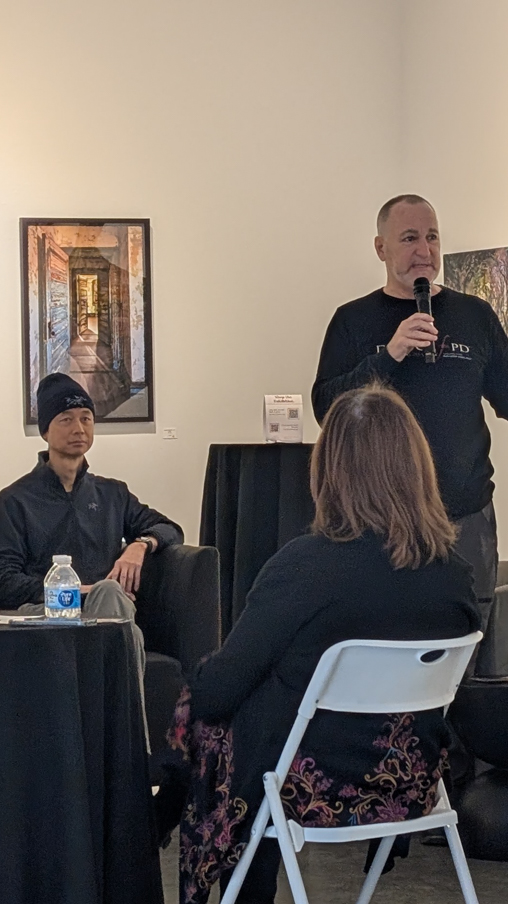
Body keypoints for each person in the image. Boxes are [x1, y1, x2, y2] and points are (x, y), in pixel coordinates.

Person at [160, 383, 480, 904]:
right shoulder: (455, 576)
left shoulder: (305, 566)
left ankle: (161, 826)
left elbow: (218, 691)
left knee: (217, 711)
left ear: (329, 471)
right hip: (409, 782)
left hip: (308, 785)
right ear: (417, 467)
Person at [312, 194, 508, 640]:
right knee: (391, 644)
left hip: (465, 518)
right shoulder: (353, 320)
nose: (424, 250)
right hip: (380, 522)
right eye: (409, 238)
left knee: (468, 646)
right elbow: (328, 410)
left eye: (432, 237)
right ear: (381, 248)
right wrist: (390, 354)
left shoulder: (473, 315)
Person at [0, 374, 183, 699]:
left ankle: (119, 720)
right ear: (45, 431)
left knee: (111, 598)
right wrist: (75, 591)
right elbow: (5, 581)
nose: (79, 428)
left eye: (86, 418)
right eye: (66, 419)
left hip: (105, 613)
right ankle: (124, 721)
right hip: (43, 617)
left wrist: (140, 545)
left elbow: (170, 529)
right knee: (112, 598)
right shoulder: (14, 501)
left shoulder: (112, 494)